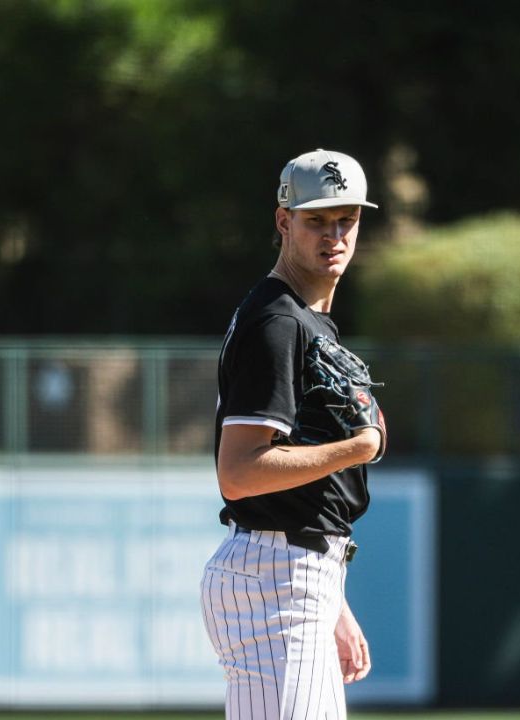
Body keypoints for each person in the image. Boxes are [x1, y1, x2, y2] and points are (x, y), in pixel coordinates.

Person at [201, 148, 386, 719]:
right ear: (284, 221)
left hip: (296, 574)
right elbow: (239, 474)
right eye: (316, 220)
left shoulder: (301, 318)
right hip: (277, 580)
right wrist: (359, 447)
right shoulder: (278, 323)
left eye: (346, 220)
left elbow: (302, 494)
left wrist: (334, 602)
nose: (334, 235)